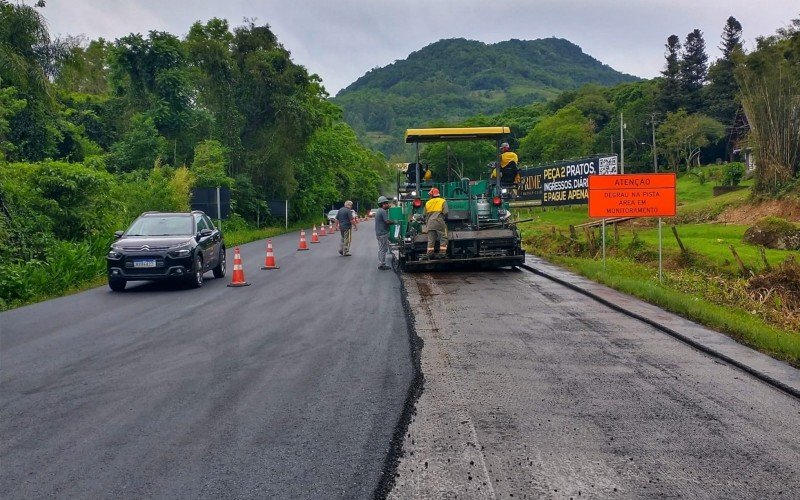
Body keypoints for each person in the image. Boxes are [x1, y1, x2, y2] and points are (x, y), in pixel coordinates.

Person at [423, 187, 448, 258]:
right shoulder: (442, 201)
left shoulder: (427, 203)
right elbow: (446, 212)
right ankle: (442, 253)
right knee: (443, 236)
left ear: (431, 195)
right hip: (439, 222)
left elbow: (424, 215)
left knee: (431, 239)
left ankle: (430, 254)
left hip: (430, 223)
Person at [374, 196, 395, 270]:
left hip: (379, 233)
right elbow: (387, 221)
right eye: (386, 203)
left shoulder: (379, 210)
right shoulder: (382, 211)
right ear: (383, 204)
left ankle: (381, 263)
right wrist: (395, 222)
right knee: (383, 249)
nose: (388, 204)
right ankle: (382, 264)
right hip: (382, 233)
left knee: (381, 248)